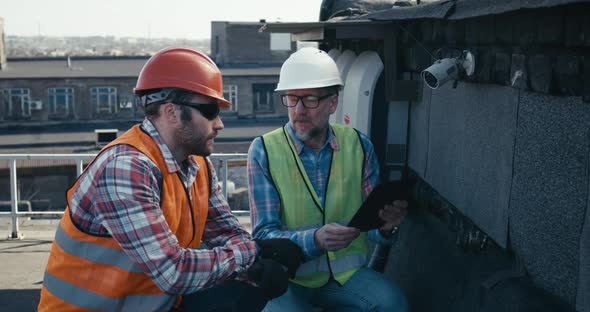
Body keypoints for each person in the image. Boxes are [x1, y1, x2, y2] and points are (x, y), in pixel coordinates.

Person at [38, 47, 303, 312]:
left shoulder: (198, 165)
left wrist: (252, 268)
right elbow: (173, 271)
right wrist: (253, 253)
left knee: (243, 293)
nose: (220, 124)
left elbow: (226, 232)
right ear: (171, 112)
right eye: (210, 110)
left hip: (154, 305)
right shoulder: (125, 169)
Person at [247, 47, 409, 311]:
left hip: (345, 278)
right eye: (291, 98)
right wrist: (315, 240)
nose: (298, 110)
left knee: (393, 303)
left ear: (332, 102)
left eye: (310, 99)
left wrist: (386, 227)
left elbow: (373, 229)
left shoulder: (359, 145)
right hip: (290, 279)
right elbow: (264, 235)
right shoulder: (263, 150)